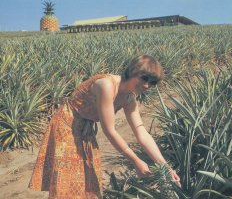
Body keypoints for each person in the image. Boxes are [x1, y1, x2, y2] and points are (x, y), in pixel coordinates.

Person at [28, 55, 180, 199]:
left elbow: (141, 132)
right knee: (67, 177)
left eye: (152, 82)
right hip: (66, 124)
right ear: (133, 71)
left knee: (88, 179)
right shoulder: (107, 85)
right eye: (144, 78)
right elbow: (109, 131)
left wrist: (165, 166)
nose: (147, 85)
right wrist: (135, 160)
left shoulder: (129, 97)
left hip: (85, 128)